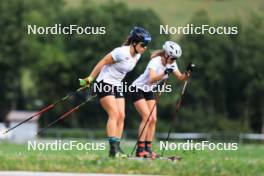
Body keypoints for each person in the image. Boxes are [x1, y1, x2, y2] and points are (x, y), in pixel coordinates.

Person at [78, 27, 151, 157]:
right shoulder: (121, 52)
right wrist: (90, 78)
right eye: (143, 45)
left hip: (117, 84)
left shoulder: (137, 56)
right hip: (104, 82)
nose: (145, 48)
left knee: (122, 115)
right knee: (114, 113)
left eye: (147, 45)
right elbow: (102, 62)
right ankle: (113, 150)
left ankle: (117, 148)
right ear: (134, 43)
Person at [130, 41, 194, 158]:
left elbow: (181, 78)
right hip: (137, 88)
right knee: (146, 117)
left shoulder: (172, 63)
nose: (174, 60)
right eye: (173, 58)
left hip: (148, 91)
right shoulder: (155, 62)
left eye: (176, 59)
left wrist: (188, 72)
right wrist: (164, 72)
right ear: (166, 54)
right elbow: (151, 79)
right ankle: (140, 149)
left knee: (153, 119)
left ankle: (148, 149)